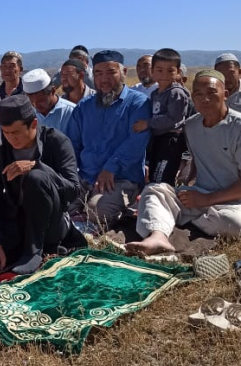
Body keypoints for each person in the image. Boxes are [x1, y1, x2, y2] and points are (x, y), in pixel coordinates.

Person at [0, 95, 83, 274]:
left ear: (34, 124)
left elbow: (73, 190)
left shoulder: (56, 141)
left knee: (36, 178)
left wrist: (37, 166)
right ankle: (21, 251)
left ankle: (34, 252)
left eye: (15, 133)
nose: (11, 138)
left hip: (51, 222)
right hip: (16, 219)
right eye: (6, 132)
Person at [127, 70, 241, 254]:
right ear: (193, 98)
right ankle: (158, 237)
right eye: (199, 94)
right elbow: (199, 158)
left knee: (233, 223)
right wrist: (190, 185)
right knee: (154, 190)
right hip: (200, 195)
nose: (205, 99)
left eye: (211, 93)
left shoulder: (237, 127)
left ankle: (175, 220)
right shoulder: (191, 125)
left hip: (234, 203)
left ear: (225, 94)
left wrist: (206, 200)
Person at [68, 49, 152, 227]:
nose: (104, 79)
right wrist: (70, 174)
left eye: (110, 72)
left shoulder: (138, 103)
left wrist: (110, 168)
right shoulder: (84, 107)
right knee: (59, 204)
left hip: (120, 178)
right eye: (98, 73)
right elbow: (72, 144)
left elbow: (136, 143)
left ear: (123, 72)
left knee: (96, 210)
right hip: (86, 176)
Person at [131, 47, 191, 185]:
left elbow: (173, 119)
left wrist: (148, 123)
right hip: (158, 139)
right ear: (152, 71)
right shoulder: (155, 94)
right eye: (159, 70)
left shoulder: (176, 93)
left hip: (170, 140)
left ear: (178, 72)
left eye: (170, 71)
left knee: (161, 176)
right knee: (153, 173)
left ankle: (163, 196)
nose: (165, 75)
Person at [21, 69, 75, 137]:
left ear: (52, 91)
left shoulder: (72, 112)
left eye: (41, 101)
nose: (36, 105)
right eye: (32, 102)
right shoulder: (26, 114)